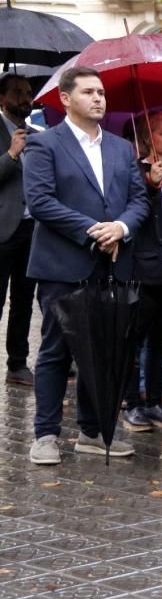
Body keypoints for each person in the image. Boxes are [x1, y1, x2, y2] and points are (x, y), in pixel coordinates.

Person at [22, 66, 150, 465]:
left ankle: (92, 432)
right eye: (89, 92)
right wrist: (94, 229)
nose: (99, 98)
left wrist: (121, 227)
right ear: (65, 98)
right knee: (57, 350)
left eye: (101, 93)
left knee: (103, 350)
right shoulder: (45, 145)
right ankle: (45, 434)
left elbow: (139, 200)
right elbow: (40, 202)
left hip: (111, 266)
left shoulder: (119, 147)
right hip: (63, 265)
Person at [122, 111, 162, 432]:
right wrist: (149, 185)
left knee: (161, 339)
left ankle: (154, 402)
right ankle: (133, 403)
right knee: (133, 338)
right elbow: (131, 212)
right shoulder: (135, 173)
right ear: (148, 137)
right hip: (144, 270)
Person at [0, 74, 39, 386]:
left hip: (32, 230)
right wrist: (11, 154)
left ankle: (17, 363)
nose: (25, 98)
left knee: (24, 301)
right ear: (2, 99)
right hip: (2, 231)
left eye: (27, 93)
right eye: (17, 93)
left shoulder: (38, 135)